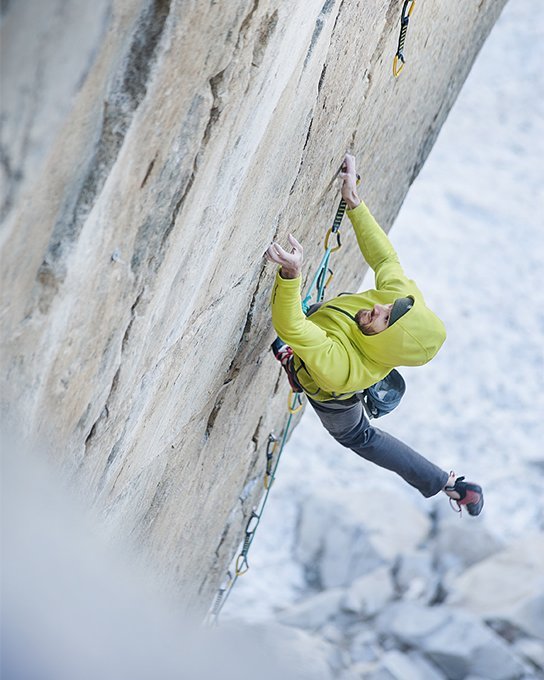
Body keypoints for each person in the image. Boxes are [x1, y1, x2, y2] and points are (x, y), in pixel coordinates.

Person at [265, 153, 483, 516]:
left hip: (337, 389)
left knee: (359, 436)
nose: (381, 307)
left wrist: (291, 276)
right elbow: (385, 259)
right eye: (388, 308)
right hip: (338, 335)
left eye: (384, 319)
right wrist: (354, 201)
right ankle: (303, 355)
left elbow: (291, 327)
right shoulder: (401, 304)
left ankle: (445, 483)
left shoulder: (343, 369)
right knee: (318, 320)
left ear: (384, 339)